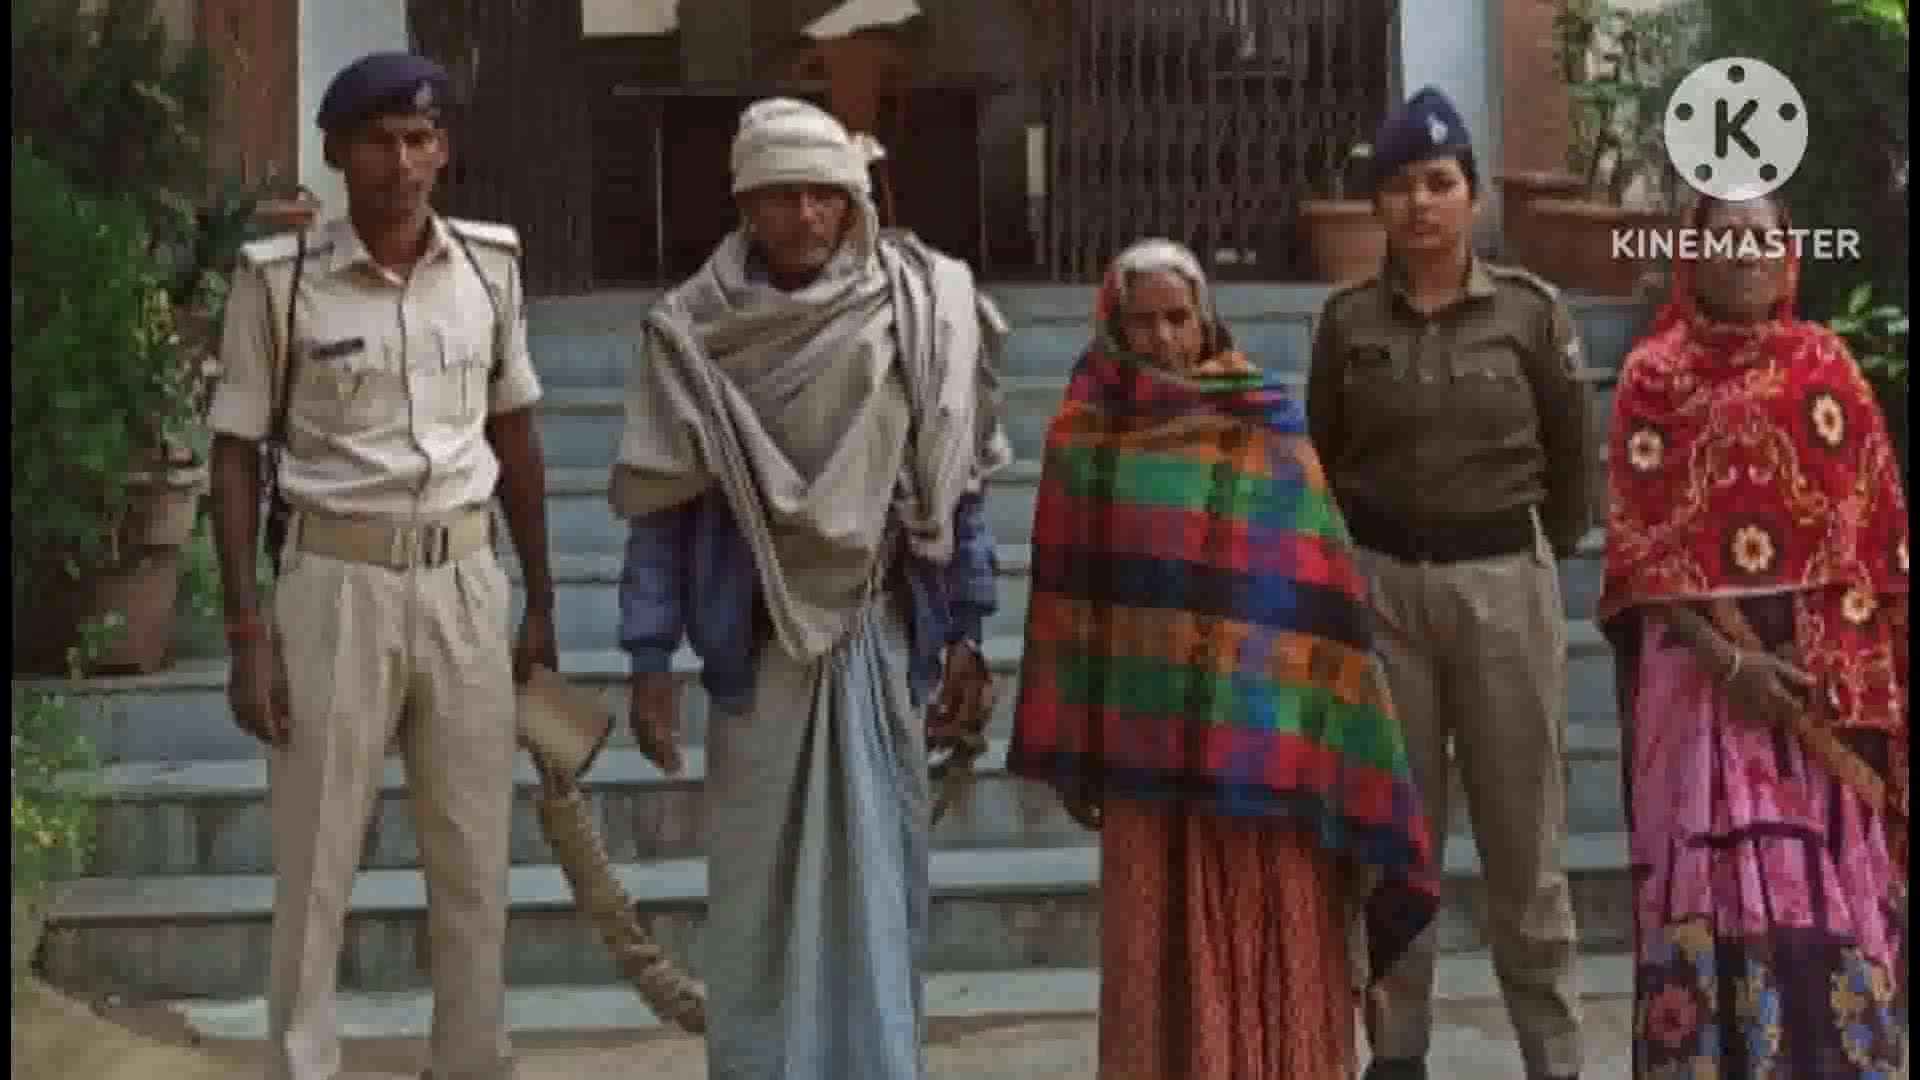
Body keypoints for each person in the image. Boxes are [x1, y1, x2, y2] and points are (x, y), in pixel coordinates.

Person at [609, 97, 1009, 1079]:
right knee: (757, 883)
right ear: (746, 207)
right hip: (758, 644)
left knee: (881, 876)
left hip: (883, 628)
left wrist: (969, 628)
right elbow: (661, 509)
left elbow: (955, 483)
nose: (806, 215)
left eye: (824, 195)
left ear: (852, 201)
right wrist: (650, 657)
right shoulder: (693, 332)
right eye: (782, 196)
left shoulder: (917, 308)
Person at [1006, 238, 1441, 1079]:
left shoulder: (1266, 424)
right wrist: (1080, 742)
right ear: (1114, 327)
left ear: (1207, 321)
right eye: (1144, 322)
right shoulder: (1085, 438)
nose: (1165, 339)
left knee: (1274, 941)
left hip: (1265, 757)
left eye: (1180, 318)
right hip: (1145, 767)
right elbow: (1070, 604)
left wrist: (1311, 726)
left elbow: (1320, 598)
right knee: (1155, 958)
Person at [205, 51, 556, 1080]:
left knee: (474, 859)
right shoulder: (279, 282)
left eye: (419, 140)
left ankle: (471, 1061)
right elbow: (234, 457)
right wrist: (244, 632)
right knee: (315, 863)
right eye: (378, 142)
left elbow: (515, 433)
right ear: (335, 151)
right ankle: (302, 1064)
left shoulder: (489, 269)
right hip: (334, 586)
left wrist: (540, 599)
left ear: (443, 150)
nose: (401, 164)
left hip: (463, 580)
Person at [1306, 86, 1592, 1080]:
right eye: (1399, 187)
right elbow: (1323, 460)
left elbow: (1573, 465)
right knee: (1396, 837)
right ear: (1376, 205)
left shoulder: (1530, 313)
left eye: (1439, 183)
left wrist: (1522, 559)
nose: (1420, 204)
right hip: (1384, 591)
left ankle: (1554, 1054)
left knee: (1525, 839)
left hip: (1503, 584)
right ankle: (1397, 1051)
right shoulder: (1346, 323)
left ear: (1472, 195)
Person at [1599, 191, 1909, 1075]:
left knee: (1828, 898)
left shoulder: (1830, 369)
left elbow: (1877, 538)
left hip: (1821, 687)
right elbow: (1638, 553)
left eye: (1760, 237)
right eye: (1724, 236)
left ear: (1788, 254)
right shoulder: (1651, 378)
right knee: (1711, 891)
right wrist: (1730, 661)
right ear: (1691, 255)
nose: (1742, 252)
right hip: (1700, 680)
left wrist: (1844, 660)